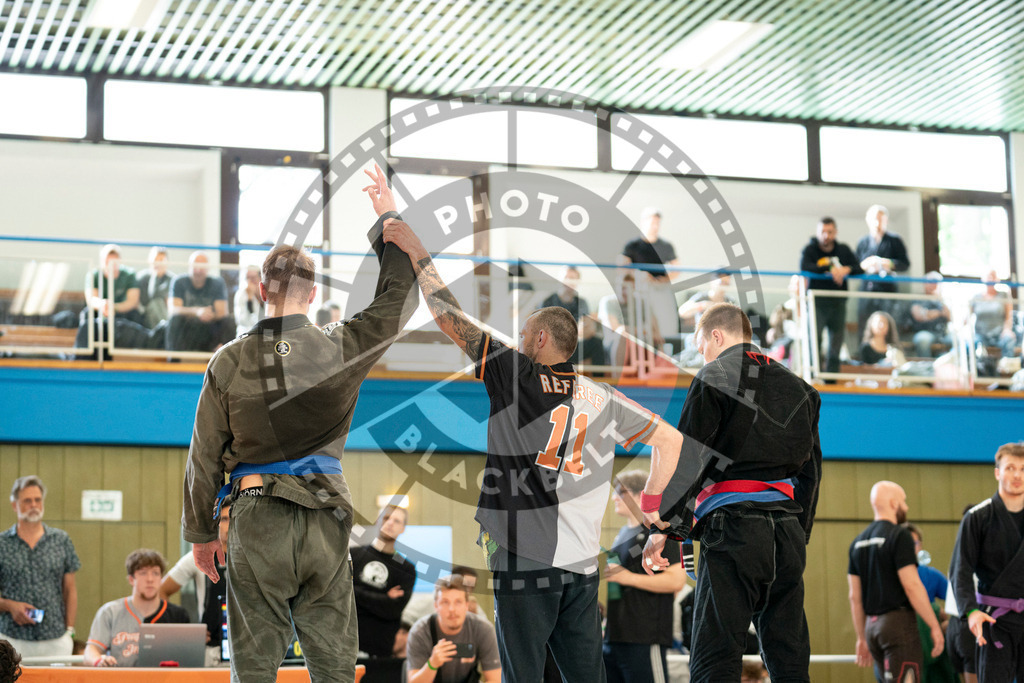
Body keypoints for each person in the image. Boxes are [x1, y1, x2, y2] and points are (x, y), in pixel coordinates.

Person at [380, 217, 684, 683]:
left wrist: (418, 251)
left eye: (523, 335)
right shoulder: (604, 397)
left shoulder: (515, 372)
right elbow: (671, 440)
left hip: (524, 558)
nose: (519, 342)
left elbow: (447, 315)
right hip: (582, 565)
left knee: (522, 675)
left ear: (540, 339)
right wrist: (652, 511)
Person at [181, 163, 418, 683]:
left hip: (256, 518)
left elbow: (203, 456)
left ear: (260, 289)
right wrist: (388, 220)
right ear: (311, 295)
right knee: (334, 668)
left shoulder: (228, 360)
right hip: (325, 514)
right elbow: (400, 300)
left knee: (254, 669)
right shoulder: (341, 345)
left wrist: (201, 533)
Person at [640, 302, 822, 683]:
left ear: (716, 336)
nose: (703, 355)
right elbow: (811, 473)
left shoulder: (714, 375)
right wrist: (799, 532)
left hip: (734, 529)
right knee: (790, 659)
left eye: (702, 346)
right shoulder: (802, 389)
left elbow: (690, 458)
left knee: (715, 659)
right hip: (787, 533)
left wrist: (666, 529)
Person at [848, 481, 945, 683]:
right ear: (894, 503)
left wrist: (861, 637)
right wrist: (934, 625)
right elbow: (912, 586)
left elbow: (854, 597)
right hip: (898, 627)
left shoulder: (857, 542)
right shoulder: (900, 535)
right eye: (904, 501)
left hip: (872, 628)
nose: (906, 507)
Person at [949, 442, 1024, 683]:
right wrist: (971, 611)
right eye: (1010, 468)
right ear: (997, 472)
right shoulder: (977, 518)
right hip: (994, 619)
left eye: (1023, 469)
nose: (1017, 475)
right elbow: (960, 570)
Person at [603, 469, 684, 683]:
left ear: (641, 494)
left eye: (620, 492)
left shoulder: (658, 532)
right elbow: (616, 586)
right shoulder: (622, 534)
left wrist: (626, 577)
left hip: (644, 636)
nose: (614, 498)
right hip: (615, 638)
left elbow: (677, 580)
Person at [0, 476, 79, 657]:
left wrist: (69, 631)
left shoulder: (61, 540)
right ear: (14, 505)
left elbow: (70, 589)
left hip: (55, 639)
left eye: (38, 500)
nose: (34, 505)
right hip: (11, 638)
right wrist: (9, 605)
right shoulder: (2, 543)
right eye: (27, 501)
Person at [85, 549, 190, 667]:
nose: (150, 579)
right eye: (143, 573)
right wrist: (98, 660)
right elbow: (91, 649)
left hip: (163, 676)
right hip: (121, 675)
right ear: (131, 579)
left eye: (155, 573)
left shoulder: (178, 615)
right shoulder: (110, 612)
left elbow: (188, 656)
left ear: (161, 578)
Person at [161, 499, 231, 665]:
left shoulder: (253, 557)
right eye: (224, 519)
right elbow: (161, 591)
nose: (230, 525)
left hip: (249, 648)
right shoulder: (199, 557)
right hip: (212, 652)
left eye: (234, 519)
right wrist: (185, 633)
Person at [406, 576, 500, 683]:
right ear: (436, 606)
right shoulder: (420, 632)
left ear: (466, 605)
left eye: (458, 602)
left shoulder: (483, 629)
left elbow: (495, 679)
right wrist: (432, 664)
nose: (452, 609)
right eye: (445, 602)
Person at [799, 217, 863, 373]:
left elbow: (858, 268)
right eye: (822, 231)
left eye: (829, 232)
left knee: (836, 342)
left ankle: (832, 378)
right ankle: (814, 375)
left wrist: (846, 269)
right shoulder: (810, 250)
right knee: (815, 339)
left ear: (835, 232)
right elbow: (805, 267)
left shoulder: (843, 250)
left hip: (838, 302)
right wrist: (831, 268)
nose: (826, 235)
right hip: (817, 303)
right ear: (817, 232)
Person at [352, 505, 417, 657]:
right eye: (386, 518)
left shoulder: (406, 569)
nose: (390, 523)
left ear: (403, 528)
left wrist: (355, 592)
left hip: (380, 649)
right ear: (378, 521)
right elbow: (340, 593)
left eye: (396, 520)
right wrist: (384, 598)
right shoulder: (353, 555)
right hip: (345, 642)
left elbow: (392, 610)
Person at [74, 243, 153, 352]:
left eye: (114, 261)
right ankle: (84, 352)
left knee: (136, 316)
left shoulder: (129, 275)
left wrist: (113, 307)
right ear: (102, 261)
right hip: (101, 312)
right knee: (88, 315)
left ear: (119, 261)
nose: (111, 265)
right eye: (107, 261)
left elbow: (132, 301)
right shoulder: (94, 275)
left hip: (122, 313)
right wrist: (103, 305)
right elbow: (91, 299)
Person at [620, 207, 681, 337]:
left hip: (661, 289)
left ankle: (667, 343)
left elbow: (676, 269)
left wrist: (662, 280)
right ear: (643, 222)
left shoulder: (666, 246)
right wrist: (638, 275)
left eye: (658, 223)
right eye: (652, 223)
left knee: (667, 321)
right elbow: (622, 266)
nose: (655, 226)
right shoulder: (632, 245)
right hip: (640, 289)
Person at [856, 205, 910, 340]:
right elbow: (855, 267)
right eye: (874, 219)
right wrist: (866, 264)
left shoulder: (894, 241)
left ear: (886, 220)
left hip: (888, 290)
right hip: (867, 291)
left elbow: (904, 264)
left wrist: (887, 263)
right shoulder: (863, 243)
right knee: (865, 324)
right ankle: (865, 350)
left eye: (880, 219)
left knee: (889, 324)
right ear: (868, 221)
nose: (877, 223)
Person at [167, 251, 235, 352]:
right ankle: (174, 357)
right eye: (195, 266)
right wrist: (197, 311)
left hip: (209, 330)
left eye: (202, 267)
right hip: (187, 330)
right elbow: (173, 310)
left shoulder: (217, 283)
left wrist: (207, 314)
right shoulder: (178, 281)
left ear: (208, 268)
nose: (198, 270)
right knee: (174, 320)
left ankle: (224, 355)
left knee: (229, 322)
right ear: (189, 266)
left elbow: (222, 312)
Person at [970, 269, 1016, 359]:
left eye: (993, 276)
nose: (990, 279)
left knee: (1009, 339)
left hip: (999, 334)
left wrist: (1007, 330)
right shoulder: (976, 298)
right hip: (981, 335)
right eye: (988, 276)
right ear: (983, 279)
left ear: (997, 279)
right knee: (970, 343)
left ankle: (1006, 366)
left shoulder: (1003, 295)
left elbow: (1008, 317)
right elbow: (966, 317)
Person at [909, 273, 951, 358]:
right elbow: (919, 316)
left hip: (943, 334)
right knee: (922, 340)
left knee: (957, 339)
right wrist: (939, 313)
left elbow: (949, 317)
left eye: (936, 282)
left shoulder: (941, 300)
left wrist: (929, 312)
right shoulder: (918, 299)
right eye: (931, 282)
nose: (933, 285)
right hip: (925, 331)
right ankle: (925, 365)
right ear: (924, 283)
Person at [136, 246, 175, 329]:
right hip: (147, 315)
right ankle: (165, 330)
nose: (158, 263)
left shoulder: (172, 279)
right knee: (156, 303)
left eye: (161, 260)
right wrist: (155, 276)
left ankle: (165, 329)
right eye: (155, 260)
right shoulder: (142, 277)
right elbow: (151, 296)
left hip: (167, 313)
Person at [234, 264, 266, 336]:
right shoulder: (241, 295)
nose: (250, 281)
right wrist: (249, 299)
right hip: (246, 333)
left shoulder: (266, 293)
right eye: (247, 278)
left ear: (260, 278)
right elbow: (243, 321)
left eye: (253, 278)